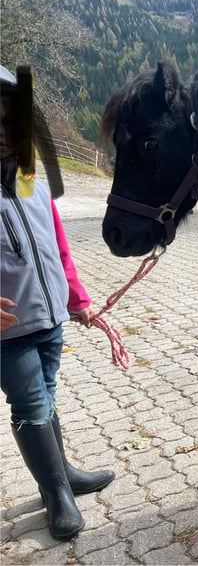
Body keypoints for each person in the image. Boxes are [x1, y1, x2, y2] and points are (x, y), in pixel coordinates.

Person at [0, 64, 115, 541]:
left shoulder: (33, 183)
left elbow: (60, 250)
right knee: (30, 402)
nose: (2, 135)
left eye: (10, 123)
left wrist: (79, 301)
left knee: (46, 397)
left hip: (49, 320)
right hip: (8, 332)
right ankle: (57, 496)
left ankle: (62, 472)